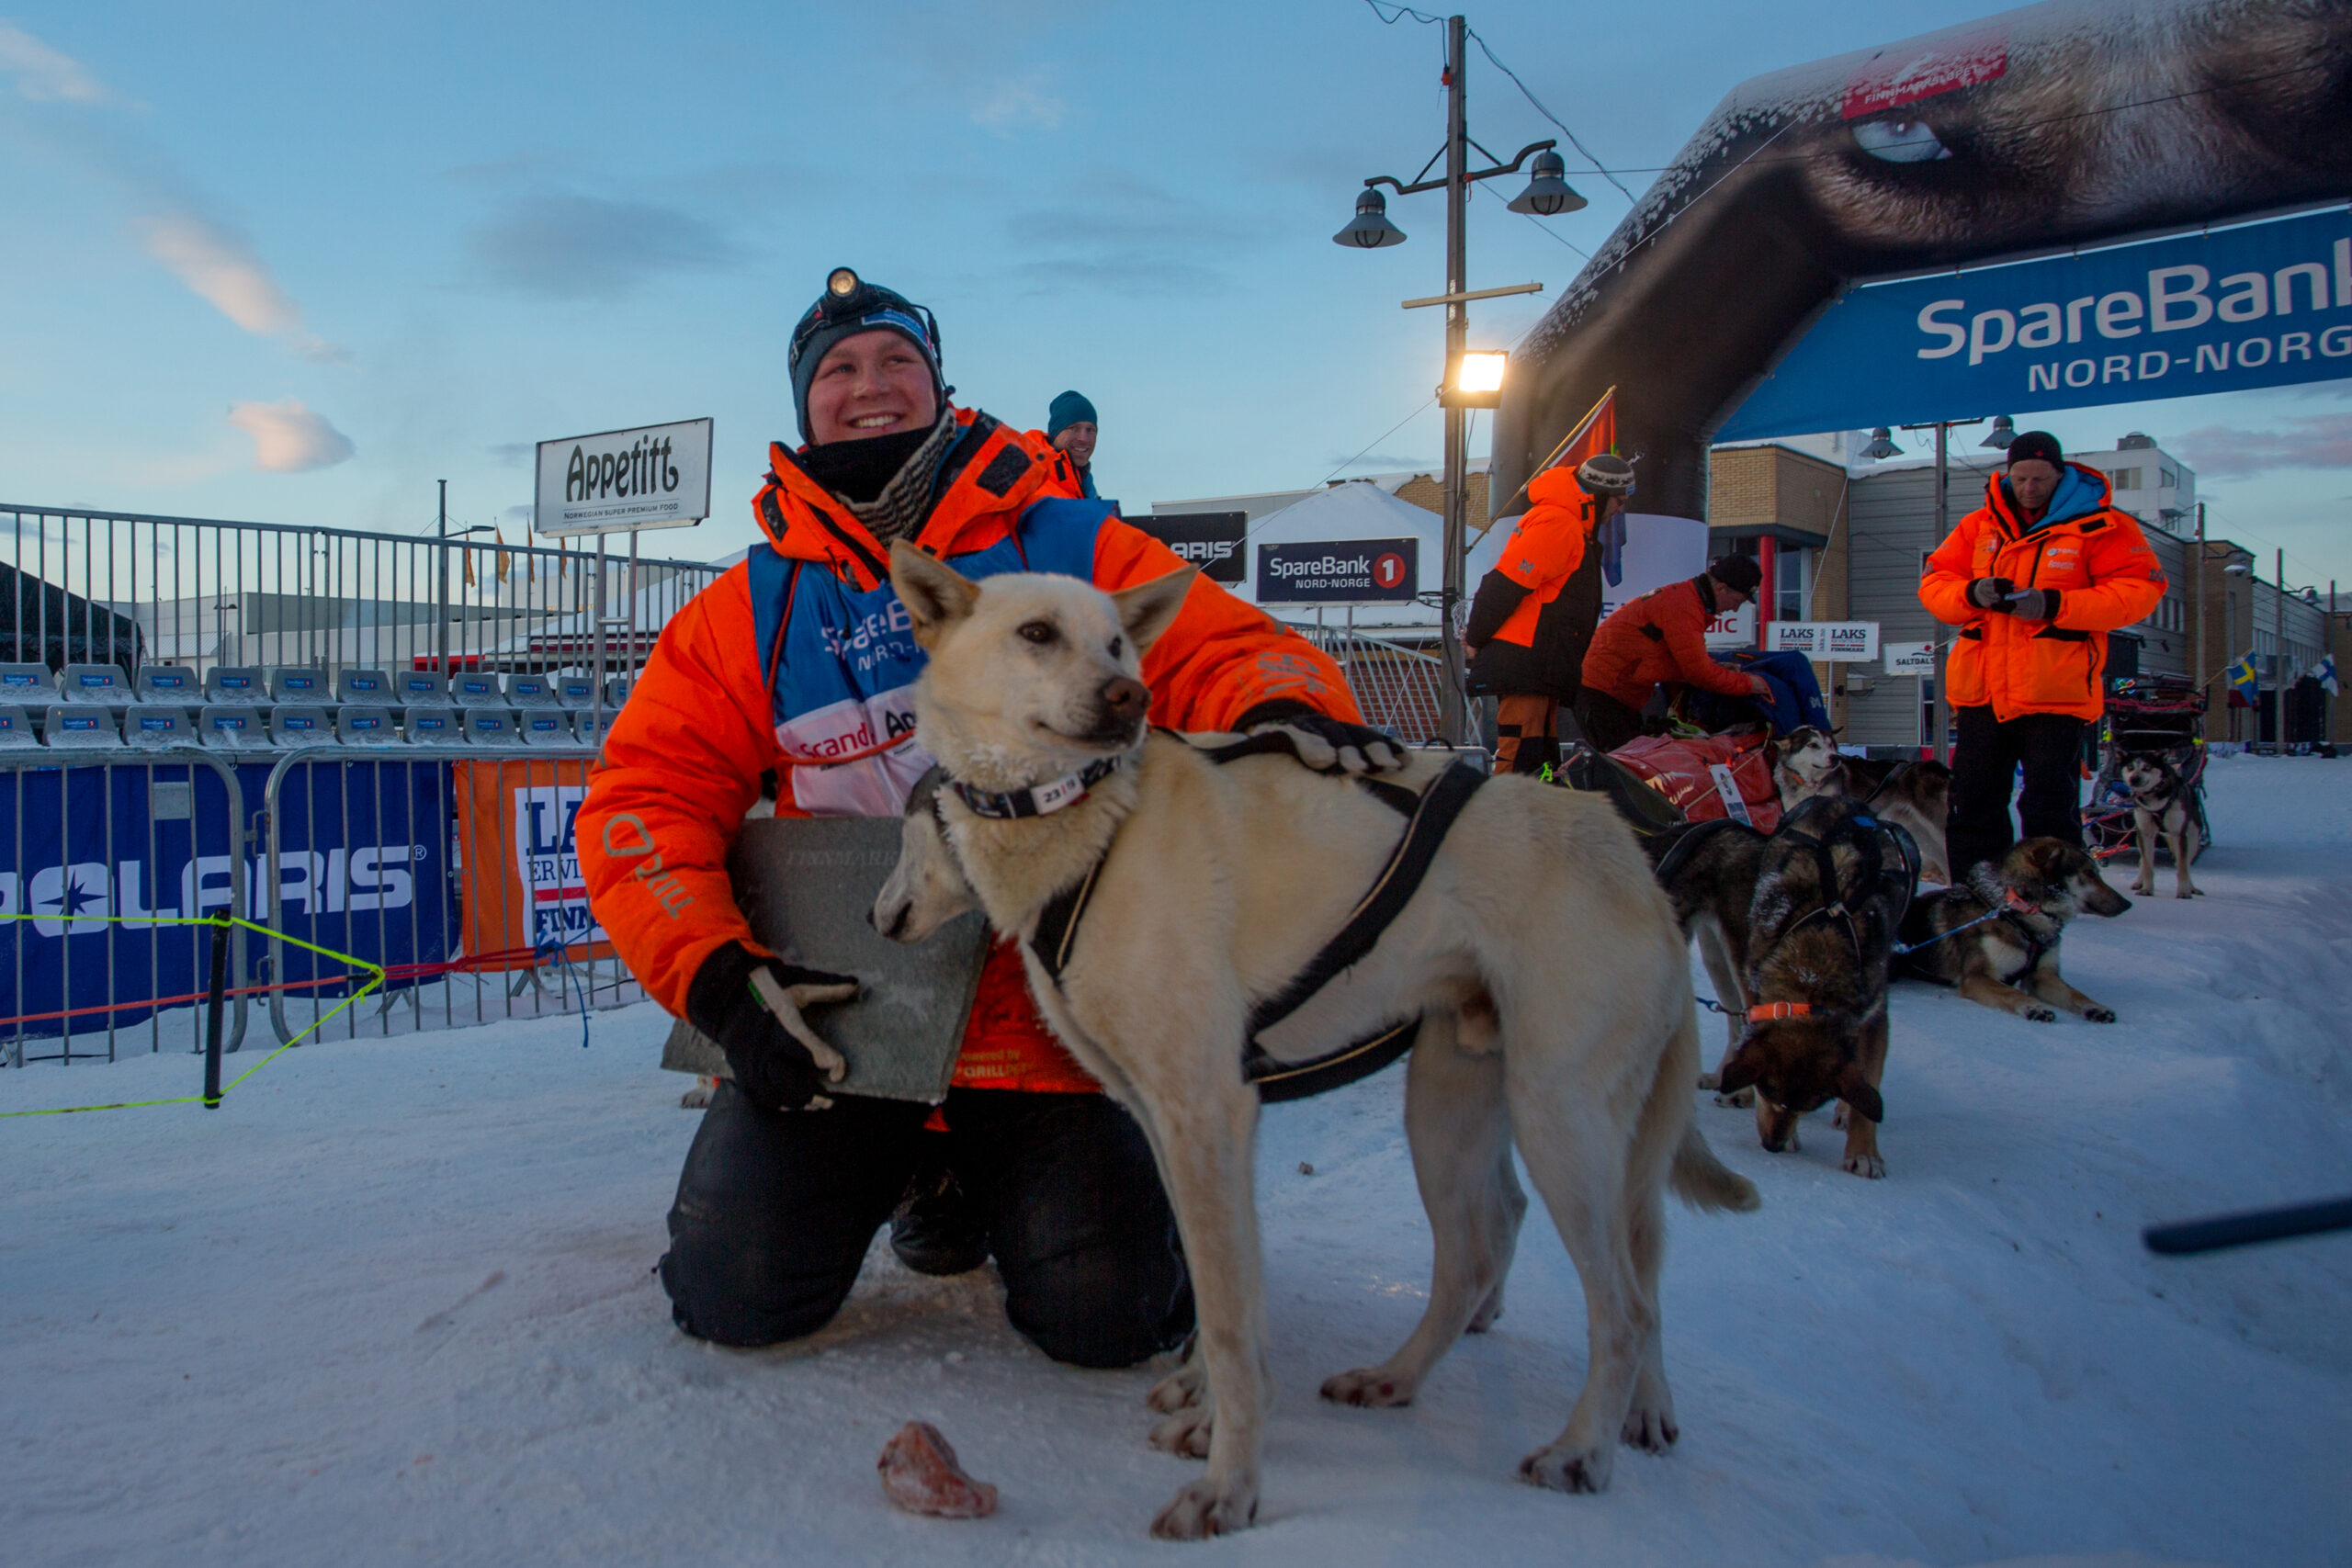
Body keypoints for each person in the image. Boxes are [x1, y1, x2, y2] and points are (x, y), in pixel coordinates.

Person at [575, 269, 1397, 1370]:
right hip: (849, 1020)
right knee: (734, 1293)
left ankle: (1015, 1178)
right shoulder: (751, 607)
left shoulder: (1071, 544)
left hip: (1055, 1022)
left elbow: (1220, 650)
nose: (869, 387)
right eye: (838, 371)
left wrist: (1285, 707)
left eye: (896, 363)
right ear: (802, 407)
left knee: (1114, 1317)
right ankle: (920, 1168)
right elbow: (643, 798)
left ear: (939, 386)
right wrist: (719, 980)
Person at [1921, 429, 2165, 880]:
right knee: (1974, 799)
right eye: (2020, 478)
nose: (2029, 488)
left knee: (2049, 803)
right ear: (2006, 475)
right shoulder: (1978, 526)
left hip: (2056, 692)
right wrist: (1973, 592)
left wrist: (2055, 605)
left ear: (2060, 474)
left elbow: (2140, 591)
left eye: (2040, 479)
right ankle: (1980, 891)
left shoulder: (2102, 526)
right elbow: (1934, 586)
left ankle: (2053, 893)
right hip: (1983, 693)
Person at [1464, 452, 1634, 773]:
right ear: (1599, 497)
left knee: (1537, 758)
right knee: (1520, 757)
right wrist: (1476, 638)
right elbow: (1503, 584)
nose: (1620, 510)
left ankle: (1526, 816)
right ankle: (1504, 818)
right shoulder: (1559, 523)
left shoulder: (1570, 525)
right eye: (1619, 501)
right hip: (1526, 660)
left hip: (1539, 664)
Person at [1576, 555, 1773, 755]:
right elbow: (1699, 674)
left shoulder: (1684, 599)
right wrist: (1750, 685)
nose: (1735, 609)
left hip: (1612, 693)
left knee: (1627, 766)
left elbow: (1677, 660)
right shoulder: (1683, 607)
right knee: (1621, 770)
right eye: (1737, 601)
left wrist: (1716, 668)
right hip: (1604, 695)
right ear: (1722, 588)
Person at [1047, 389, 1100, 500]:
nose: (1084, 439)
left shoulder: (1086, 484)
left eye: (1090, 430)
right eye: (1074, 428)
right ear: (1055, 433)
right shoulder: (1031, 478)